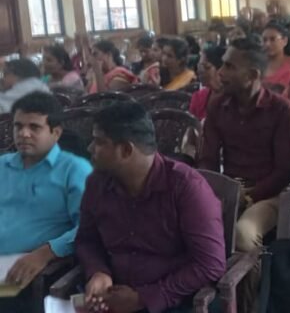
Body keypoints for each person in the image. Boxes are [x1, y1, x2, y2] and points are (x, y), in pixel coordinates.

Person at [75, 102, 226, 313]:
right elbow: (87, 239)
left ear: (126, 150)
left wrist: (144, 298)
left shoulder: (186, 188)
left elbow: (210, 264)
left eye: (99, 142)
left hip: (173, 302)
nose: (90, 148)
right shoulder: (97, 183)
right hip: (113, 297)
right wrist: (98, 271)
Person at [199, 38, 290, 252]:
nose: (220, 72)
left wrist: (249, 195)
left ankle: (252, 275)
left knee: (243, 235)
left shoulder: (280, 109)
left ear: (252, 75)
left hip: (270, 195)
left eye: (229, 66)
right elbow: (208, 160)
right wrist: (217, 193)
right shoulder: (217, 106)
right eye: (222, 64)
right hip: (230, 190)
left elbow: (285, 171)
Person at [0, 92, 91, 290]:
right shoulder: (2, 165)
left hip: (32, 271)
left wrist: (46, 253)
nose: (24, 134)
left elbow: (88, 226)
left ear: (55, 132)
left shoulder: (74, 170)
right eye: (18, 126)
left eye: (34, 127)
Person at [189, 45, 225, 121]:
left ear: (221, 70)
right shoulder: (198, 97)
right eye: (199, 66)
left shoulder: (234, 100)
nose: (201, 71)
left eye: (206, 67)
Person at [262, 22, 290, 93]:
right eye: (264, 40)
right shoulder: (258, 64)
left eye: (273, 39)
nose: (267, 44)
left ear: (285, 41)